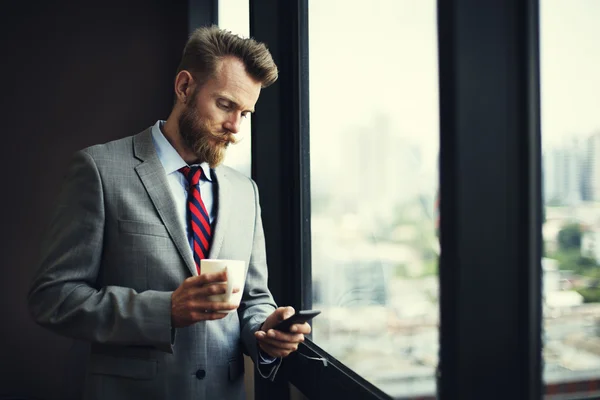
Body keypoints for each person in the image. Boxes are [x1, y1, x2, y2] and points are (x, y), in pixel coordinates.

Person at [27, 25, 310, 400]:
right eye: (225, 105)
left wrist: (266, 332)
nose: (235, 128)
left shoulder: (246, 192)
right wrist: (164, 311)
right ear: (184, 87)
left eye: (246, 113)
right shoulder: (99, 170)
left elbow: (254, 299)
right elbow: (53, 298)